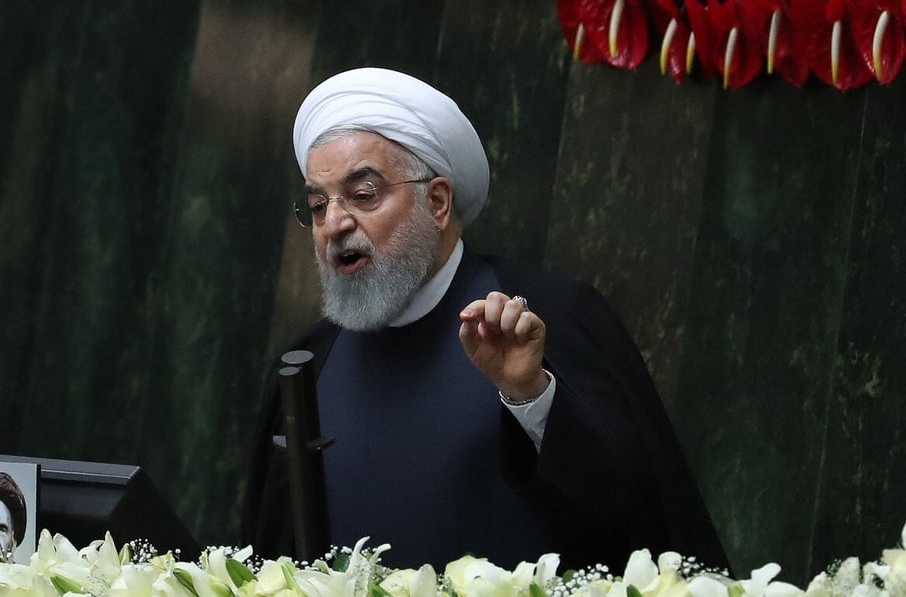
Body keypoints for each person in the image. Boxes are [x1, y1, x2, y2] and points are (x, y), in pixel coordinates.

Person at [242, 67, 729, 572]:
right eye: (318, 206)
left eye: (363, 195)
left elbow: (637, 514)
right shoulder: (307, 365)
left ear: (437, 202)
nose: (335, 224)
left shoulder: (553, 316)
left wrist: (530, 396)